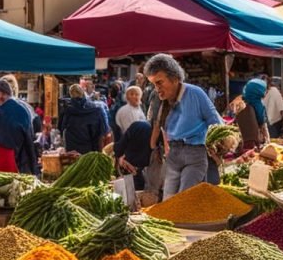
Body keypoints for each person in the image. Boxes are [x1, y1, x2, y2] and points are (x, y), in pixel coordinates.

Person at [145, 53, 223, 198]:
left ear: (174, 79)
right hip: (174, 154)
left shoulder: (196, 94)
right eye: (154, 84)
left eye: (159, 82)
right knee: (169, 200)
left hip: (195, 153)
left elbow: (215, 123)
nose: (156, 88)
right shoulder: (161, 100)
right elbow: (161, 126)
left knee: (184, 199)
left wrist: (217, 148)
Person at [0, 79, 38, 175]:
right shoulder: (25, 107)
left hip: (9, 160)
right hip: (25, 158)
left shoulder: (0, 112)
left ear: (0, 94)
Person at [59, 84, 109, 155]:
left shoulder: (67, 111)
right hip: (91, 150)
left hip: (72, 151)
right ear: (83, 93)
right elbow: (104, 131)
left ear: (70, 95)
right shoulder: (97, 109)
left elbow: (61, 128)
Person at [114, 120, 153, 191]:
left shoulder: (136, 126)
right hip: (145, 167)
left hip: (130, 167)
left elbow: (120, 145)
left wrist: (119, 156)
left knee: (130, 191)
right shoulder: (152, 130)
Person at [235, 78, 270, 151]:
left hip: (241, 143)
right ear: (258, 91)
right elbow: (262, 123)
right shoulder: (258, 104)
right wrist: (268, 140)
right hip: (253, 145)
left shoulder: (240, 103)